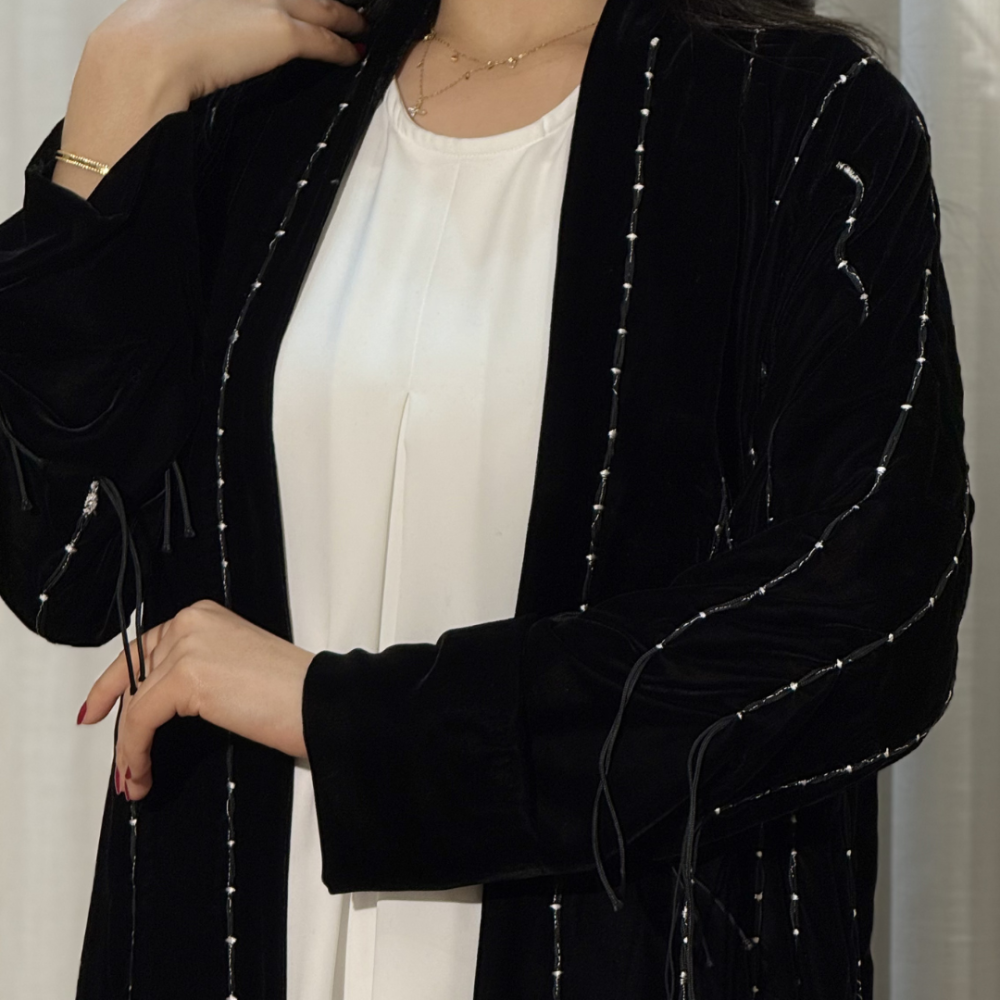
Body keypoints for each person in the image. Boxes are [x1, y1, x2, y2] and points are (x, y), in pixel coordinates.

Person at [0, 0, 972, 997]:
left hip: (618, 951)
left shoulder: (800, 116)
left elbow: (869, 608)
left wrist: (340, 716)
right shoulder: (253, 101)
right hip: (226, 936)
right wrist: (114, 105)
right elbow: (65, 566)